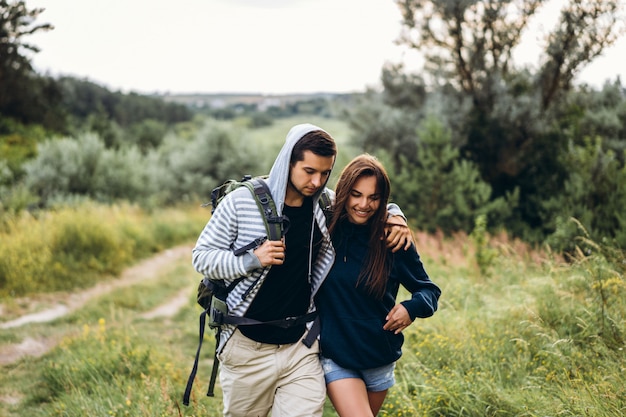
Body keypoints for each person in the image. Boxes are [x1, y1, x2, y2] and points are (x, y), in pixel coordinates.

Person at [191, 124, 413, 417]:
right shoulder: (241, 203)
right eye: (309, 171)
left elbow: (366, 205)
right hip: (246, 347)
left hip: (302, 346)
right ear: (289, 161)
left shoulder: (325, 203)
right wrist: (251, 259)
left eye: (325, 173)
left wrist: (396, 215)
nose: (317, 180)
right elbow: (201, 258)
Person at [315, 154, 442, 417]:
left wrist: (411, 308)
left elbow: (429, 290)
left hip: (380, 357)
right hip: (336, 355)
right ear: (343, 192)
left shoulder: (392, 238)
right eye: (356, 194)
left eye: (373, 197)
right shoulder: (324, 232)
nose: (364, 204)